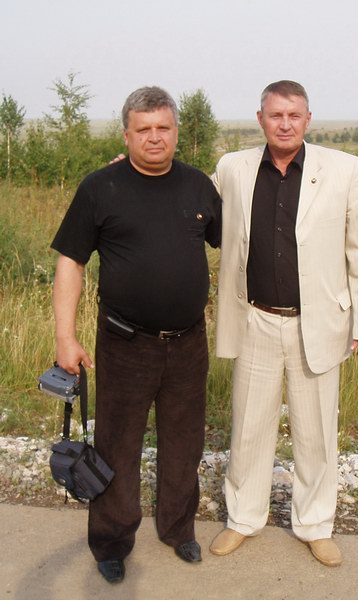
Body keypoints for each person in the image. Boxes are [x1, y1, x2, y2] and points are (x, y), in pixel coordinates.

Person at [209, 80, 358, 567]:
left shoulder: (343, 169)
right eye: (275, 115)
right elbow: (190, 207)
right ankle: (243, 518)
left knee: (316, 434)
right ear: (260, 119)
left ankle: (315, 525)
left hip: (319, 324)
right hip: (256, 320)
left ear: (308, 119)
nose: (284, 124)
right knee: (249, 427)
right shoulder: (233, 168)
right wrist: (137, 176)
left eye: (293, 115)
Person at [51, 86, 221, 583]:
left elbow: (230, 241)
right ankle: (111, 541)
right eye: (143, 129)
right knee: (117, 446)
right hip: (125, 344)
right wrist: (65, 337)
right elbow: (71, 262)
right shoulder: (100, 187)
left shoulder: (198, 186)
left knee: (184, 443)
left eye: (163, 127)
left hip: (188, 342)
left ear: (176, 132)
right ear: (126, 135)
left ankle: (178, 529)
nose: (154, 137)